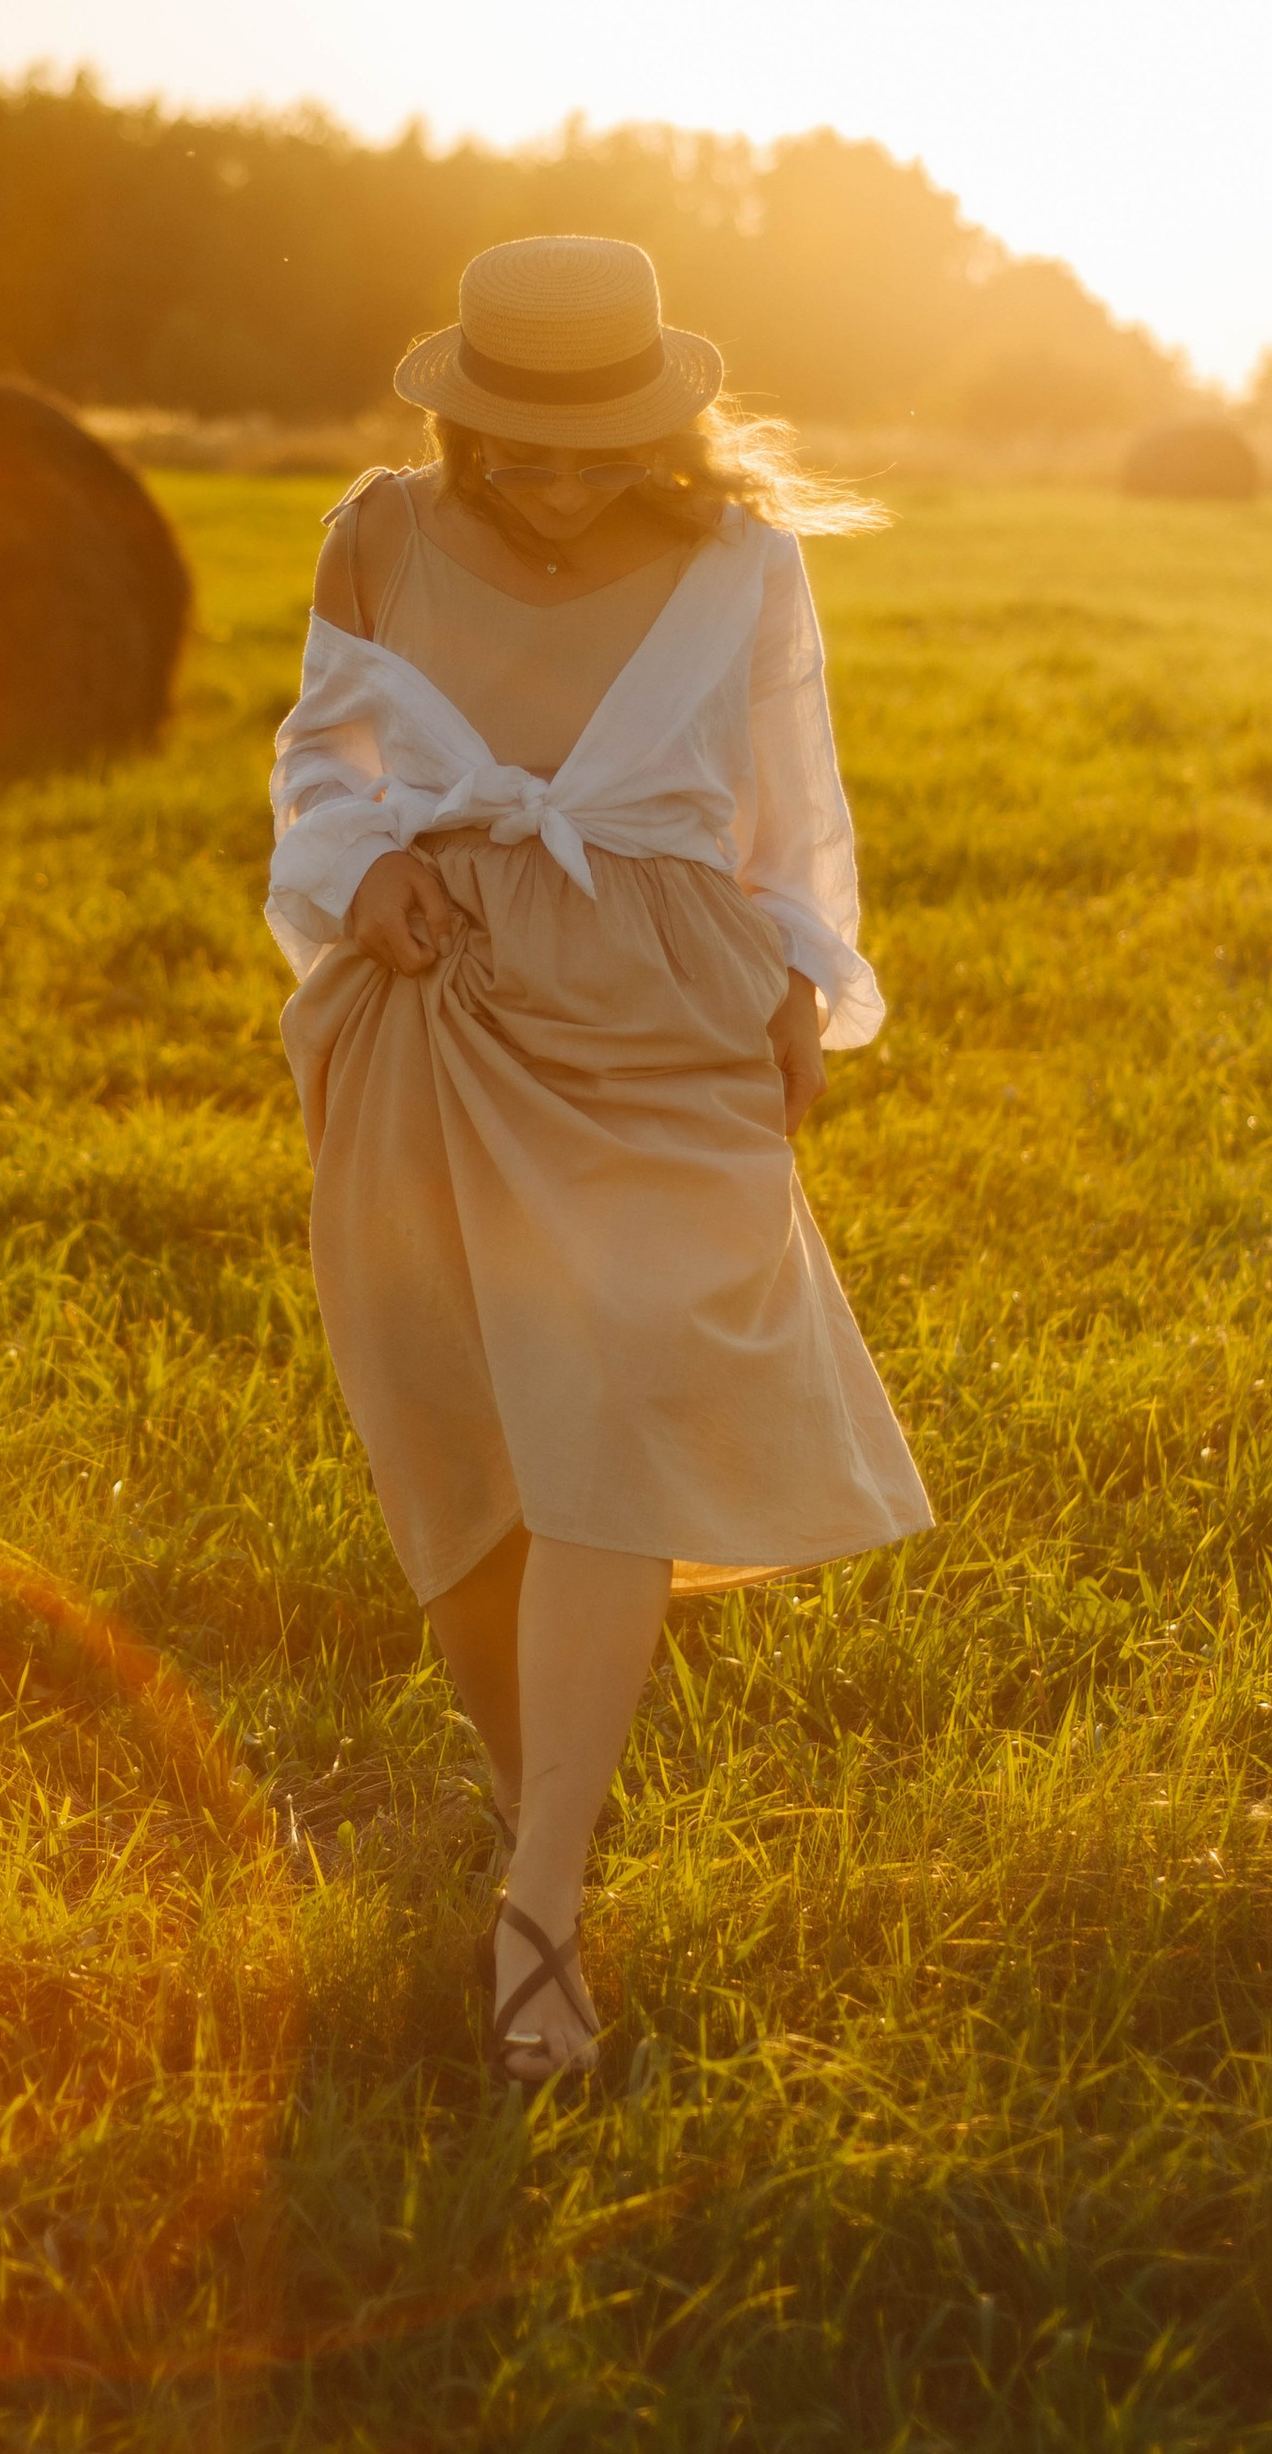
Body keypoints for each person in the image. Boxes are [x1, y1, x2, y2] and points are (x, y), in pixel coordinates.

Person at [266, 235, 931, 2088]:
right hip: (438, 991)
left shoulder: (745, 562)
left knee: (611, 1432)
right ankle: (534, 1795)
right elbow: (319, 770)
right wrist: (361, 870)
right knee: (459, 1430)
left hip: (665, 1004)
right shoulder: (376, 536)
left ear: (669, 417)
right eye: (521, 441)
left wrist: (800, 976)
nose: (560, 477)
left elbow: (794, 797)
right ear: (460, 413)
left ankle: (543, 1897)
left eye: (599, 443)